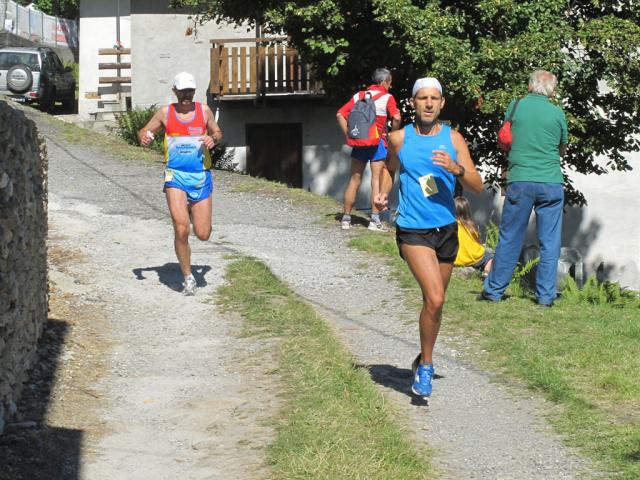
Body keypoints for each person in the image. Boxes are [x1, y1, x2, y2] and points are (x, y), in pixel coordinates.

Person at [375, 78, 483, 397]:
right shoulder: (399, 138)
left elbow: (477, 186)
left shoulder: (454, 139)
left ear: (442, 104)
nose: (428, 103)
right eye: (422, 98)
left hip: (446, 228)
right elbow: (388, 169)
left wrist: (455, 168)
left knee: (434, 304)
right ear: (413, 103)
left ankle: (423, 356)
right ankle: (427, 366)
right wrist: (381, 193)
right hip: (412, 228)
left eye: (434, 98)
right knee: (435, 298)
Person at [480, 70, 568, 306]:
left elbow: (506, 139)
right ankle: (546, 296)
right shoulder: (558, 113)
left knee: (510, 236)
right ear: (553, 91)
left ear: (530, 86)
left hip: (520, 179)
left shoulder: (515, 106)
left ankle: (495, 290)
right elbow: (561, 150)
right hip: (551, 182)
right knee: (550, 241)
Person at [138, 72, 222, 295]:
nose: (186, 95)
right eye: (182, 91)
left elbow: (217, 131)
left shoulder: (203, 110)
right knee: (181, 229)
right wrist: (144, 137)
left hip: (200, 176)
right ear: (174, 91)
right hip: (175, 176)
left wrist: (212, 138)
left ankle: (193, 210)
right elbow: (144, 131)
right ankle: (188, 277)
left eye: (190, 91)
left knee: (203, 234)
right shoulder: (166, 113)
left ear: (194, 92)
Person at [337, 68, 401, 231]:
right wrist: (393, 133)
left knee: (354, 179)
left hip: (359, 141)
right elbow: (397, 117)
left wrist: (349, 136)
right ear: (383, 82)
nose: (390, 85)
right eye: (390, 82)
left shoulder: (359, 96)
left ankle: (346, 219)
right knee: (376, 181)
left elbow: (340, 114)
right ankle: (374, 221)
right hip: (377, 142)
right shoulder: (388, 98)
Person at [453, 196, 494, 278]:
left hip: (456, 259)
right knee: (489, 257)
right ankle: (486, 272)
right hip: (473, 258)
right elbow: (477, 242)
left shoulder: (452, 225)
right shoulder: (471, 226)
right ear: (467, 211)